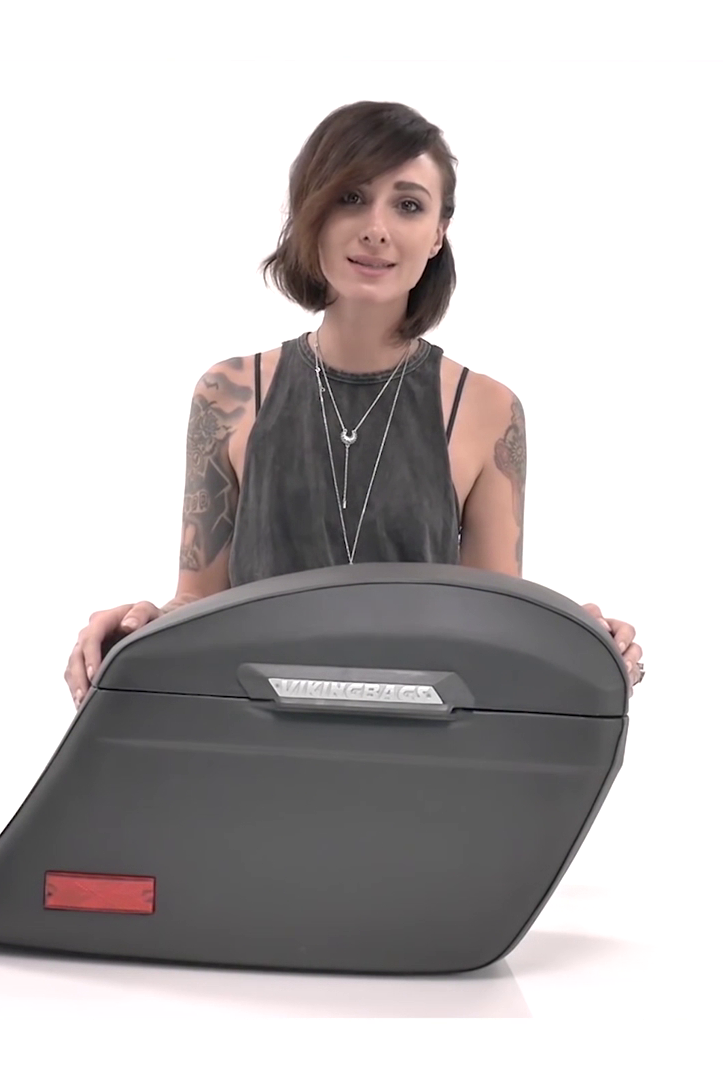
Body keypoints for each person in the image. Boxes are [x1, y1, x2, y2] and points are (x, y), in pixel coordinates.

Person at [64, 100, 644, 709]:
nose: (376, 228)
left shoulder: (487, 409)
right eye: (351, 198)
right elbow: (198, 602)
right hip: (252, 733)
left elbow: (493, 622)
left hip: (418, 742)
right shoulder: (229, 393)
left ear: (439, 233)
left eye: (408, 205)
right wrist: (137, 625)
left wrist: (577, 638)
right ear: (310, 212)